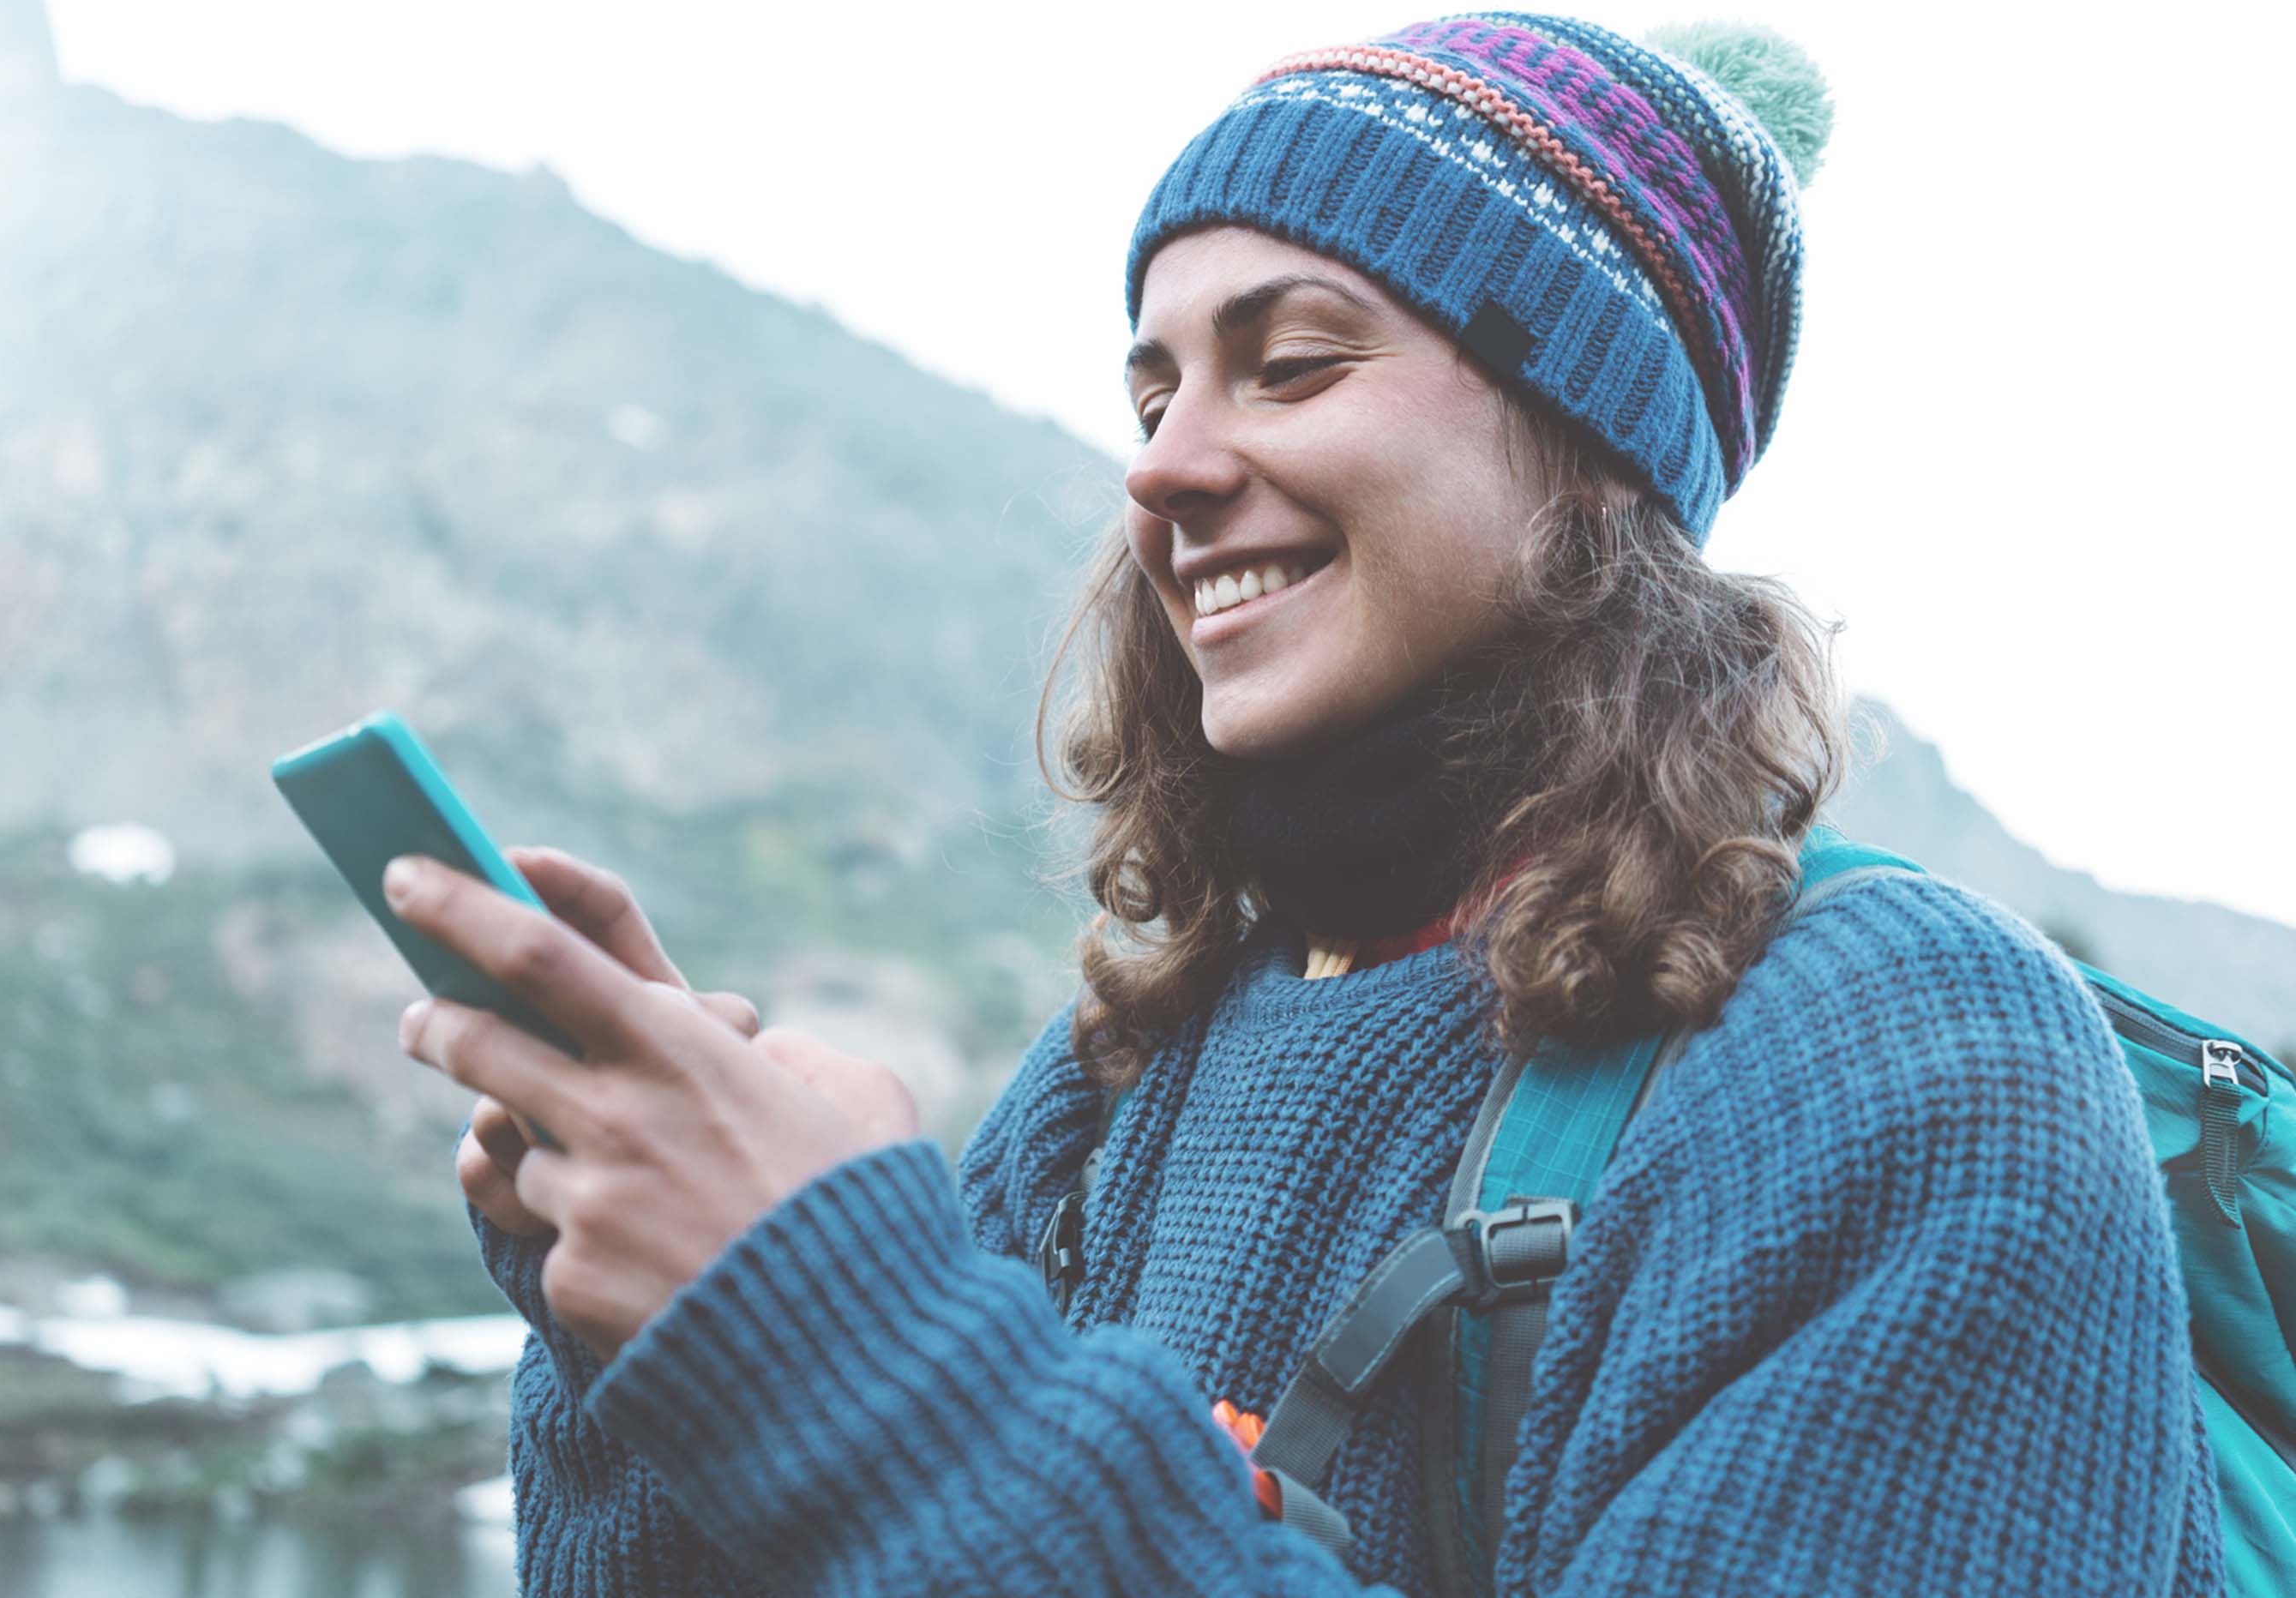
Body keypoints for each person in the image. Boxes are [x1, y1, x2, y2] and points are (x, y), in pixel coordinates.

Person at [392, 13, 2226, 1595]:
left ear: (1588, 460)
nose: (1165, 466)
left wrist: (853, 1348)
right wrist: (647, 1328)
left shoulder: (1905, 1061)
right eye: (1151, 383)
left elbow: (925, 1463)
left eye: (1292, 361)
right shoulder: (1113, 1085)